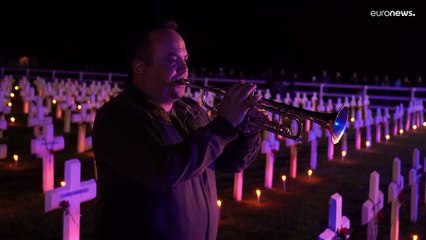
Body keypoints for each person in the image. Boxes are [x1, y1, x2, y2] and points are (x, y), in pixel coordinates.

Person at [92, 20, 263, 240]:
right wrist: (224, 125)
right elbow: (163, 169)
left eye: (185, 60)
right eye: (172, 60)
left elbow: (229, 161)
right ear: (140, 69)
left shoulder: (189, 110)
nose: (184, 69)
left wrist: (248, 131)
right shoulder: (119, 116)